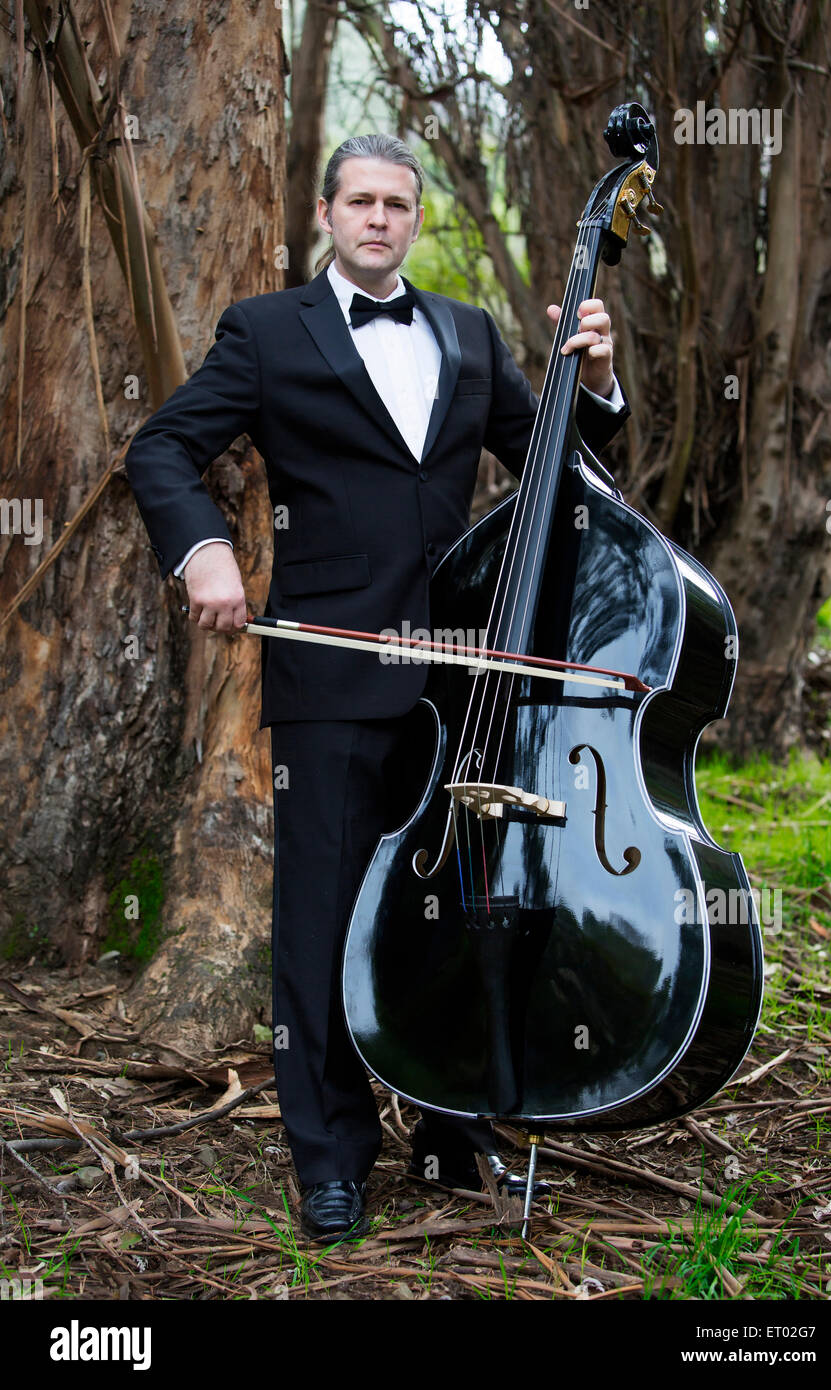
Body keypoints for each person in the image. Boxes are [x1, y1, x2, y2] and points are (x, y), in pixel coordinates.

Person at [125, 132, 630, 1240]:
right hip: (329, 669)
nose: (378, 219)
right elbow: (159, 449)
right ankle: (331, 1156)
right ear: (325, 212)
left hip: (464, 682)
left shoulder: (465, 331)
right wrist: (203, 550)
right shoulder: (266, 332)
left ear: (413, 217)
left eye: (397, 204)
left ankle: (450, 1125)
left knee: (456, 911)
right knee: (319, 918)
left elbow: (559, 468)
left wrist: (590, 381)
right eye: (359, 200)